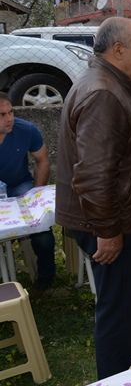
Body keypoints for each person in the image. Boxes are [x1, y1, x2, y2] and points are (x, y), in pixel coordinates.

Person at [56, 17, 131, 378]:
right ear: (118, 50)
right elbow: (93, 173)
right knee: (122, 312)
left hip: (130, 218)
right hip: (113, 223)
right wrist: (107, 231)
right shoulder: (103, 94)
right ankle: (118, 384)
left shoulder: (113, 85)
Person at [0, 93, 53, 290]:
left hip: (18, 185)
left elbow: (43, 160)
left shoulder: (26, 129)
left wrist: (35, 195)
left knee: (41, 230)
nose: (9, 118)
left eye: (11, 112)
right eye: (2, 114)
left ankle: (45, 280)